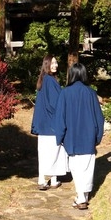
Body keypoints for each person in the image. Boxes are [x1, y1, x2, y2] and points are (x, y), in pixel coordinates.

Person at [53, 62, 104, 211]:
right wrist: (97, 137)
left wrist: (60, 137)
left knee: (75, 167)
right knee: (87, 167)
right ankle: (84, 196)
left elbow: (60, 118)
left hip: (72, 137)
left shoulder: (65, 93)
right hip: (88, 136)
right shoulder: (91, 93)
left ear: (72, 75)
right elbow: (99, 118)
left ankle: (81, 197)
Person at [30, 55, 67, 190]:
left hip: (43, 125)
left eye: (56, 62)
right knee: (54, 152)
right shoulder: (50, 81)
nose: (55, 65)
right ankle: (52, 179)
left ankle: (44, 179)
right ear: (47, 64)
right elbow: (55, 103)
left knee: (44, 153)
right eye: (53, 63)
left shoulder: (43, 80)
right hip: (52, 124)